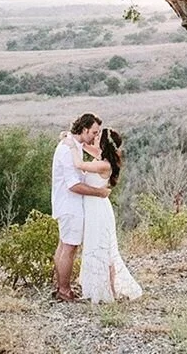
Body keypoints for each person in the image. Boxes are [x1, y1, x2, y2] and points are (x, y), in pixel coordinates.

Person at [63, 127, 142, 303]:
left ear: (104, 143)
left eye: (98, 135)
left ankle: (108, 291)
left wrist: (71, 146)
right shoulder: (101, 157)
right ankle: (105, 290)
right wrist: (73, 137)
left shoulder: (104, 164)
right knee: (97, 247)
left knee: (103, 250)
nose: (95, 137)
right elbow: (86, 147)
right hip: (93, 207)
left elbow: (79, 164)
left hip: (98, 209)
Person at [51, 113, 110, 302]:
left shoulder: (73, 145)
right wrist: (99, 192)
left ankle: (60, 286)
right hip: (70, 205)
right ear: (84, 129)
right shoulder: (68, 150)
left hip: (67, 204)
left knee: (64, 246)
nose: (95, 136)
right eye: (93, 132)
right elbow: (73, 185)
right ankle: (64, 290)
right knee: (69, 248)